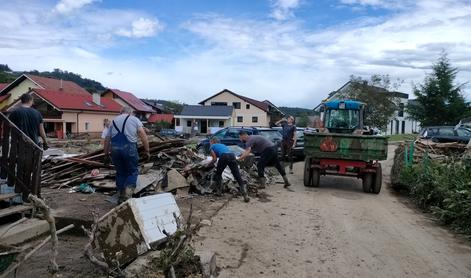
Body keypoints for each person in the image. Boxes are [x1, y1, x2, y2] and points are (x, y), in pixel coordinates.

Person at [104, 107, 150, 204]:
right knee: (132, 171)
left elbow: (107, 139)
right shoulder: (134, 119)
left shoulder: (113, 121)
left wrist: (106, 154)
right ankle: (127, 196)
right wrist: (147, 150)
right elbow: (143, 134)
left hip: (115, 150)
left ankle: (121, 195)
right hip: (129, 149)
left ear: (120, 112)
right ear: (131, 112)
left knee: (120, 172)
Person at [209, 137, 249, 202]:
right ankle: (245, 194)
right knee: (237, 175)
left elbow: (214, 159)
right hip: (232, 156)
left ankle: (219, 192)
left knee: (218, 174)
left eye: (210, 142)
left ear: (212, 142)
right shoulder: (223, 145)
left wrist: (208, 164)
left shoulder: (212, 146)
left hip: (224, 157)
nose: (210, 143)